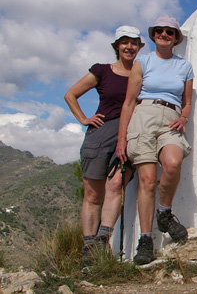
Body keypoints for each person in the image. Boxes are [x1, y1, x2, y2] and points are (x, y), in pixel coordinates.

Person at [116, 15, 194, 265]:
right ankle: (146, 239)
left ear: (175, 38)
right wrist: (121, 139)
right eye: (159, 30)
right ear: (153, 35)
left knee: (172, 163)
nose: (164, 34)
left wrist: (183, 117)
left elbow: (188, 102)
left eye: (169, 32)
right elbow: (129, 102)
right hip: (144, 115)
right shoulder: (143, 62)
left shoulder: (185, 66)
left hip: (171, 117)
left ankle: (164, 212)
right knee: (147, 180)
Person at [64, 26, 144, 264]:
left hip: (129, 135)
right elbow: (71, 94)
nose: (129, 47)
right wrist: (83, 118)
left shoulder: (143, 73)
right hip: (101, 134)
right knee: (92, 193)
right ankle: (88, 249)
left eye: (134, 43)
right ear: (116, 46)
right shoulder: (102, 71)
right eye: (124, 42)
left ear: (139, 47)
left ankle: (102, 240)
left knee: (116, 184)